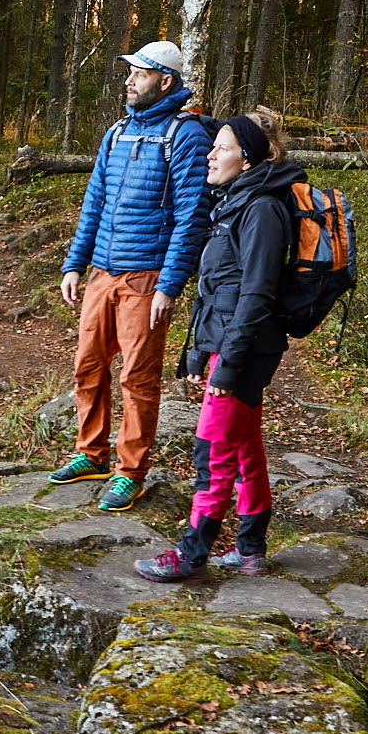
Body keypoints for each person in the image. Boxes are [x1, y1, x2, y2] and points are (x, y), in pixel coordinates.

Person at [140, 107, 304, 582]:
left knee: (212, 452)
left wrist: (227, 366)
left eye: (223, 148)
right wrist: (197, 352)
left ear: (247, 158)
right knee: (247, 446)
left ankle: (192, 554)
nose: (210, 154)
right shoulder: (234, 201)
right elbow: (217, 288)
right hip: (227, 343)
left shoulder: (263, 210)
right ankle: (251, 547)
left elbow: (255, 295)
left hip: (245, 349)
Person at [53, 40, 215, 513]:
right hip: (102, 270)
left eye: (140, 73)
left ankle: (130, 472)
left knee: (138, 378)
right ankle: (91, 454)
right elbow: (94, 204)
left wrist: (170, 283)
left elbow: (192, 216)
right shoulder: (118, 132)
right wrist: (74, 264)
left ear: (165, 81)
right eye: (130, 72)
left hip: (147, 276)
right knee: (88, 365)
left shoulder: (186, 135)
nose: (129, 81)